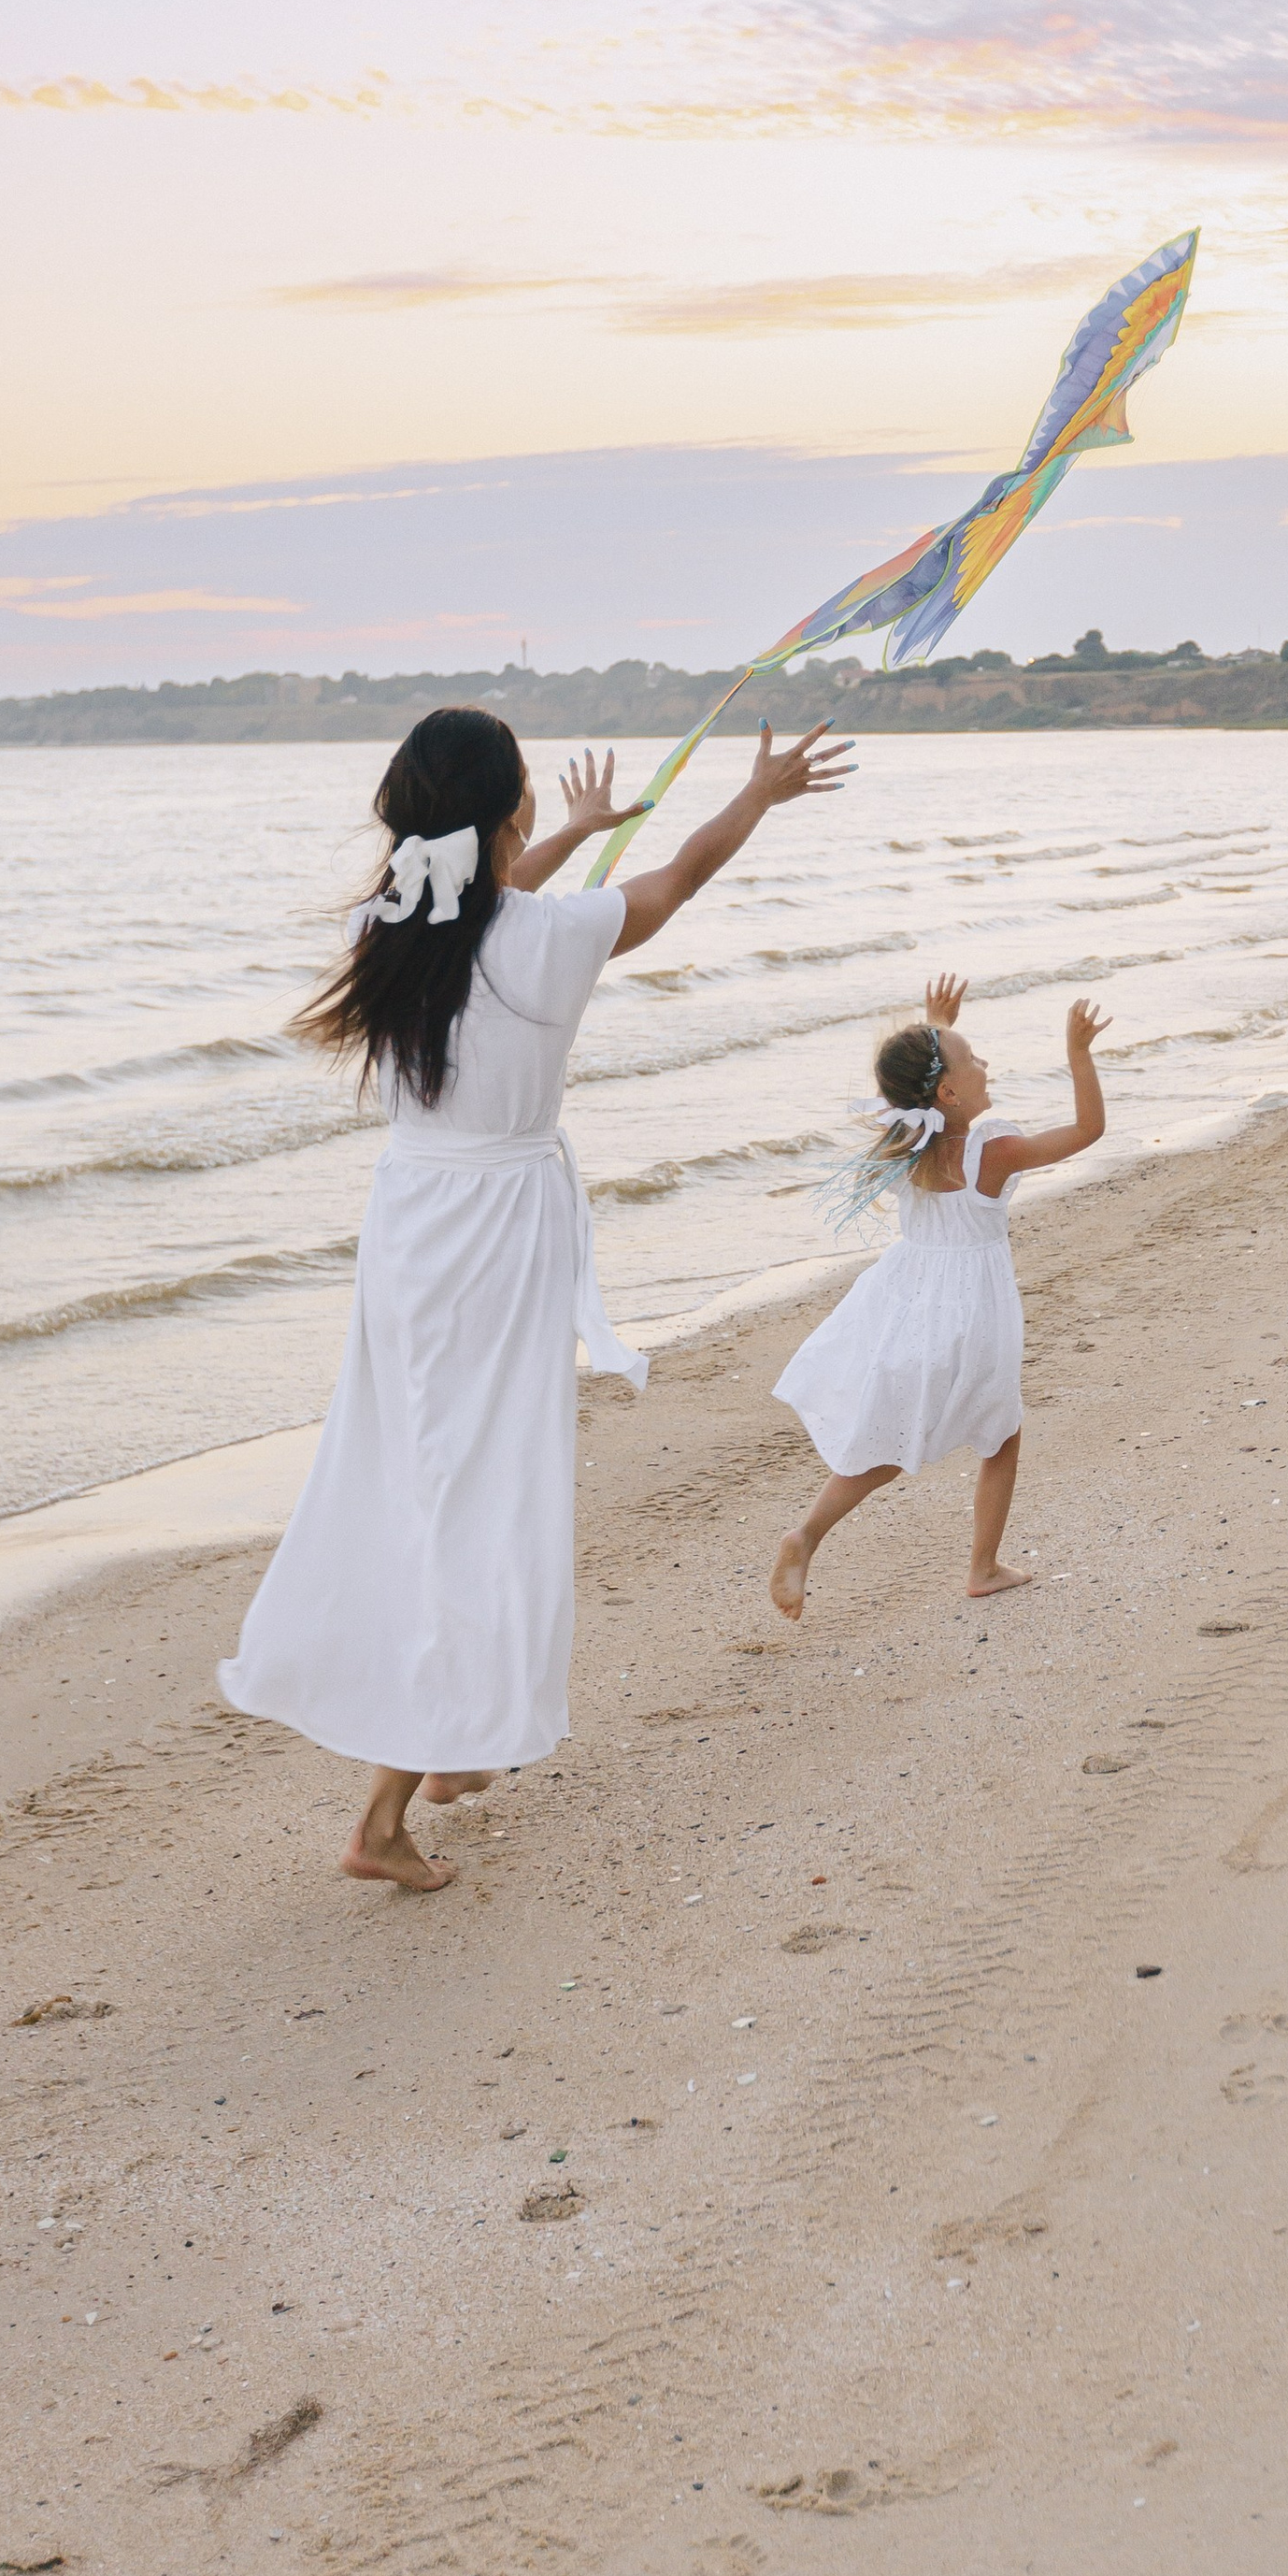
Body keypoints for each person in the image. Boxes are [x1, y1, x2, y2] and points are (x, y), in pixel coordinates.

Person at [221, 707, 852, 1891]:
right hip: (497, 1241)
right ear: (505, 809)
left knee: (426, 1478)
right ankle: (385, 1816)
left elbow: (485, 911)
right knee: (479, 1503)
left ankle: (452, 1748)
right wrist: (757, 794)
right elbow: (679, 877)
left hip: (412, 1232)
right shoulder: (542, 936)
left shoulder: (393, 922)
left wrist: (562, 833)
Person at [768, 975, 1109, 1619]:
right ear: (949, 1092)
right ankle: (982, 1568)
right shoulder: (992, 1149)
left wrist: (933, 1029)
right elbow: (1088, 1130)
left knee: (892, 1440)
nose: (986, 1065)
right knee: (1001, 1433)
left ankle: (807, 1533)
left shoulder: (905, 1143)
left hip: (903, 1301)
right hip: (974, 1310)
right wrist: (1079, 1055)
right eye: (972, 1060)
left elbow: (907, 1096)